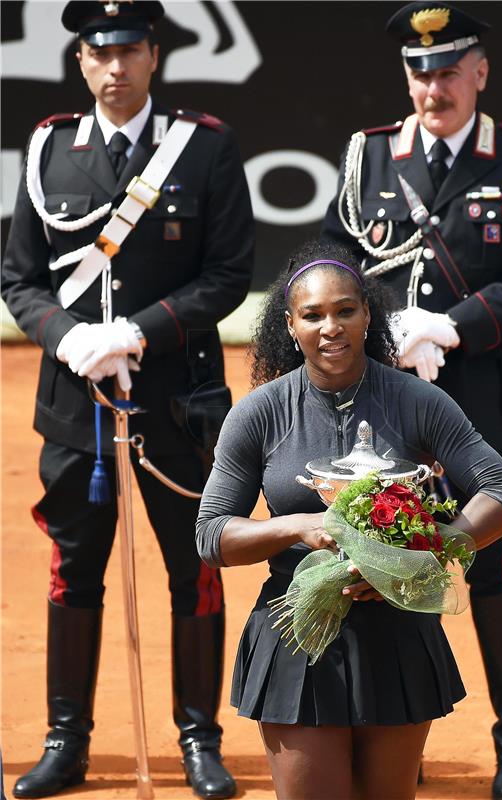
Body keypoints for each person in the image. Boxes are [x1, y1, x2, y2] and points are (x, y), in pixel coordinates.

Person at [1, 2, 254, 798]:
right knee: (74, 570)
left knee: (195, 566)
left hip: (177, 399)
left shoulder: (205, 147)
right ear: (80, 60)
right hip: (77, 404)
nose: (116, 67)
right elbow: (20, 278)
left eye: (132, 50)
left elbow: (228, 275)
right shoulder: (49, 148)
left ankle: (198, 741)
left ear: (153, 56)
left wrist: (137, 333)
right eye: (100, 53)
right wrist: (67, 335)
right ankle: (66, 741)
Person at [321, 3, 502, 797]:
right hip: (386, 400)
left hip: (482, 399)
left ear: (480, 73)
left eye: (450, 69)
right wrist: (390, 329)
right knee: (385, 559)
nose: (435, 86)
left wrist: (453, 326)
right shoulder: (369, 158)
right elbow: (334, 257)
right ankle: (399, 739)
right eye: (421, 71)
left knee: (491, 566)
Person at [195, 240, 502, 800]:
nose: (331, 327)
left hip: (398, 631)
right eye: (313, 315)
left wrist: (433, 547)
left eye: (346, 310)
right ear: (291, 324)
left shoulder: (417, 399)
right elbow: (211, 534)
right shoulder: (259, 412)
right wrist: (298, 527)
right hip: (298, 634)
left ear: (368, 314)